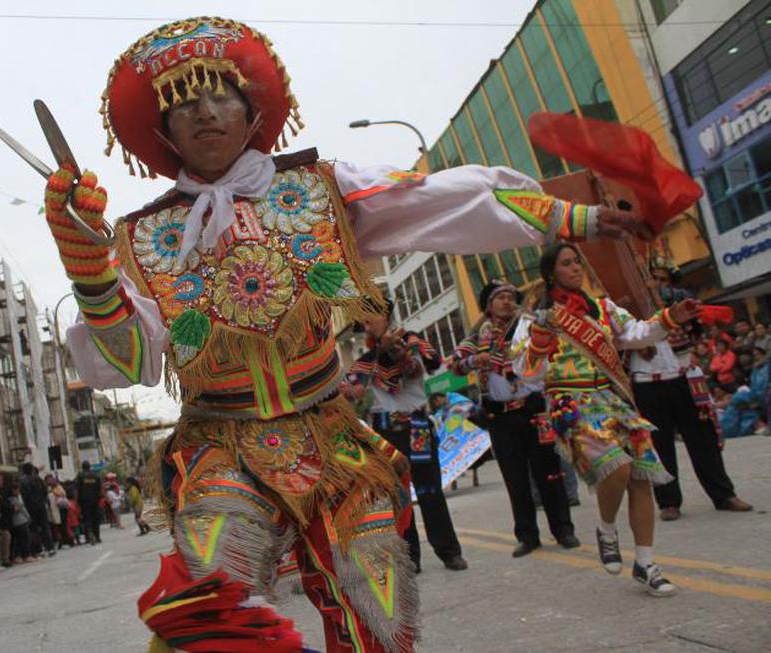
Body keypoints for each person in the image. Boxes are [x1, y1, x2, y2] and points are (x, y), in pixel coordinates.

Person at [51, 16, 654, 651]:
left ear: (253, 112)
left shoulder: (319, 188)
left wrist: (572, 215)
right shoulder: (141, 237)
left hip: (331, 434)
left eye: (219, 93)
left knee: (379, 613)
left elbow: (440, 199)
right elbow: (128, 362)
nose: (204, 113)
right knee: (212, 608)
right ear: (163, 130)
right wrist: (88, 269)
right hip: (218, 444)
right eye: (184, 102)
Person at [513, 243, 699, 597]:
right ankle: (606, 527)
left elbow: (636, 333)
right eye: (567, 263)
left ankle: (646, 563)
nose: (576, 268)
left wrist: (672, 316)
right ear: (551, 272)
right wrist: (538, 343)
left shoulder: (602, 309)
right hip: (574, 404)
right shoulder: (537, 318)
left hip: (615, 399)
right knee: (618, 468)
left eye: (577, 261)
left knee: (642, 475)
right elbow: (525, 373)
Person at [342, 297, 468, 573]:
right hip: (386, 434)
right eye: (362, 318)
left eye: (371, 315)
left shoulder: (409, 341)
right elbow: (350, 392)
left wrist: (397, 351)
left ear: (386, 316)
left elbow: (421, 366)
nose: (366, 322)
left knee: (429, 490)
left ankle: (449, 552)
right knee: (398, 497)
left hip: (416, 429)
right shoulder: (365, 362)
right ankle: (410, 559)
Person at [453, 280, 578, 557]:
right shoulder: (477, 336)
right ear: (489, 304)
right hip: (500, 416)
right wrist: (476, 361)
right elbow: (455, 365)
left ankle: (563, 529)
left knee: (549, 471)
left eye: (511, 297)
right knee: (515, 478)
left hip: (533, 409)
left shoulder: (528, 326)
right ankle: (527, 535)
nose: (507, 301)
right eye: (501, 298)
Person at [630, 271, 752, 522]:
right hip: (647, 383)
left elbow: (696, 326)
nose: (654, 284)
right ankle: (668, 501)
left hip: (682, 376)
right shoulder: (624, 311)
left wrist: (664, 301)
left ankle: (723, 494)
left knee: (703, 439)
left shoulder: (678, 302)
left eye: (660, 280)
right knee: (659, 444)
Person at [20, 463, 54, 557]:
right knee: (45, 527)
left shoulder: (22, 482)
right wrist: (42, 500)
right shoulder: (39, 479)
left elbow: (23, 496)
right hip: (41, 506)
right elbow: (45, 492)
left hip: (30, 508)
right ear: (32, 470)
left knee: (33, 529)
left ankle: (39, 549)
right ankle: (50, 547)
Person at [75, 462, 101, 546]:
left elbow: (77, 489)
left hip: (84, 501)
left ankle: (89, 536)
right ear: (90, 467)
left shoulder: (80, 476)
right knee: (95, 519)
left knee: (87, 519)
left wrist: (76, 502)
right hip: (95, 500)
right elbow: (99, 488)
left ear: (82, 467)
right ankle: (97, 536)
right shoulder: (95, 475)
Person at [8, 484, 35, 564]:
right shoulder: (11, 499)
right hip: (18, 521)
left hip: (22, 520)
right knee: (23, 539)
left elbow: (21, 507)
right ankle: (24, 555)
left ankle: (22, 555)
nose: (18, 491)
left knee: (23, 538)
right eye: (16, 490)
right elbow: (20, 508)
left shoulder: (18, 497)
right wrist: (28, 516)